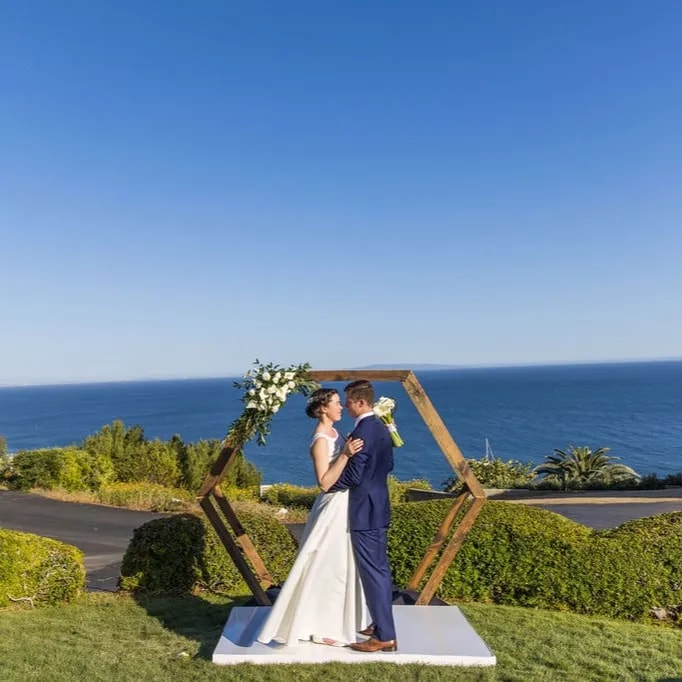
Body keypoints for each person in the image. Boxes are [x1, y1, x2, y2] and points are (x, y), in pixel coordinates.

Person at [256, 387, 370, 647]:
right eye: (337, 403)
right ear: (323, 408)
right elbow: (324, 482)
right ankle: (319, 627)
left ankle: (337, 621)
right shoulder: (321, 439)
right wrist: (345, 455)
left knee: (340, 566)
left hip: (345, 504)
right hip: (332, 507)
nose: (342, 407)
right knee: (327, 565)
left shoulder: (335, 432)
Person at [327, 379, 398, 652]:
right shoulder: (380, 427)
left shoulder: (361, 432)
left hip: (365, 510)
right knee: (378, 569)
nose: (345, 405)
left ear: (360, 402)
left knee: (373, 572)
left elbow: (354, 476)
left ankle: (384, 636)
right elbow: (389, 464)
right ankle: (380, 625)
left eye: (347, 400)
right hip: (379, 503)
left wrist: (327, 484)